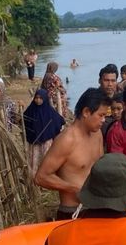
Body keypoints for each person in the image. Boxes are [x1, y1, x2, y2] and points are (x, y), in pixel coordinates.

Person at [35, 88, 110, 220]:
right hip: (73, 211)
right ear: (86, 112)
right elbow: (41, 177)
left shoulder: (97, 134)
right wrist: (75, 189)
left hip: (98, 206)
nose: (104, 120)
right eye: (101, 115)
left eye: (105, 116)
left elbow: (100, 167)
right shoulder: (66, 140)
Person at [24, 89, 65, 178]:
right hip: (34, 141)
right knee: (34, 161)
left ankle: (47, 178)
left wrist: (52, 131)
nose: (38, 100)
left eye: (40, 98)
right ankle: (35, 179)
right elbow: (24, 120)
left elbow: (59, 120)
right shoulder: (31, 110)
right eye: (36, 98)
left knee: (46, 159)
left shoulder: (49, 111)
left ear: (45, 99)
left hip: (47, 141)